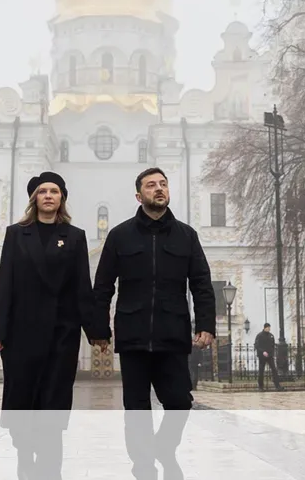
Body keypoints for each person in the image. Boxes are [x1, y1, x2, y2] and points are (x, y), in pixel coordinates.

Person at [92, 167, 215, 479]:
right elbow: (103, 285)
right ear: (139, 195)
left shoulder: (187, 236)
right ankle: (143, 467)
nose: (158, 189)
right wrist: (99, 330)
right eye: (151, 185)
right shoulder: (120, 235)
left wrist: (206, 323)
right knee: (136, 408)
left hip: (172, 332)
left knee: (179, 401)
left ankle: (163, 446)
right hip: (133, 334)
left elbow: (201, 282)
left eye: (163, 184)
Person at [0, 171, 101, 479]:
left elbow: (82, 285)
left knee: (53, 402)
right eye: (42, 191)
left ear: (62, 197)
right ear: (34, 198)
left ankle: (51, 468)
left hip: (60, 334)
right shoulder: (16, 233)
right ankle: (25, 453)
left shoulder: (75, 236)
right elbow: (5, 283)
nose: (49, 195)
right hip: (21, 333)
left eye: (54, 191)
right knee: (21, 400)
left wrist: (95, 332)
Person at [254, 322, 284, 391]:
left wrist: (272, 353)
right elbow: (257, 345)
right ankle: (260, 387)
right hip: (262, 356)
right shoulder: (259, 335)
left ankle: (278, 386)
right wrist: (263, 351)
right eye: (268, 328)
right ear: (264, 328)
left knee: (274, 370)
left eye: (269, 328)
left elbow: (272, 345)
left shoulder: (271, 336)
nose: (269, 329)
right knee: (261, 371)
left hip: (270, 356)